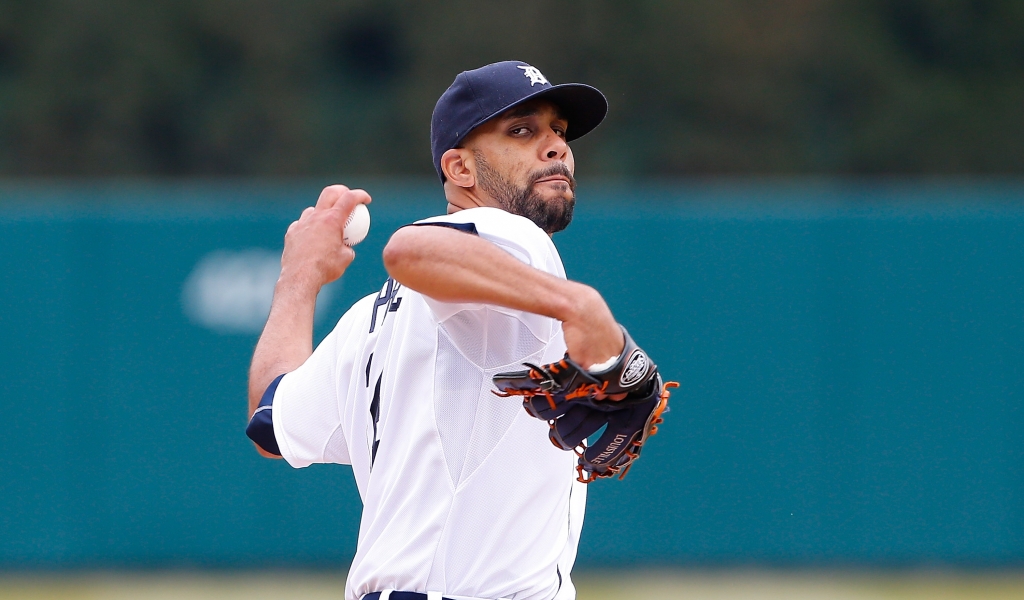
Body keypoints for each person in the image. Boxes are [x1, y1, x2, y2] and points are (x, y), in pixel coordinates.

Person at [246, 61, 625, 600]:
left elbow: (270, 421)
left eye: (559, 132)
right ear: (460, 169)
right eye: (522, 130)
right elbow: (409, 249)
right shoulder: (511, 235)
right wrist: (582, 305)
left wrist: (299, 278)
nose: (555, 147)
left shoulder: (369, 318)